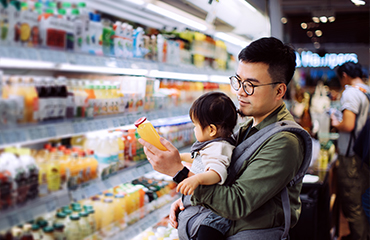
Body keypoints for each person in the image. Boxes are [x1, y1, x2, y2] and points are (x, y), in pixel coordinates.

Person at [139, 37, 309, 239]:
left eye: (250, 86)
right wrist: (190, 199)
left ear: (279, 90)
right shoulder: (249, 125)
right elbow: (224, 175)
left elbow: (236, 202)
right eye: (238, 81)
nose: (239, 92)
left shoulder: (284, 142)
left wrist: (180, 173)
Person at [176, 91, 237, 239]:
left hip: (213, 215)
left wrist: (196, 179)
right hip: (205, 208)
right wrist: (177, 157)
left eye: (195, 125)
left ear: (211, 130)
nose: (194, 129)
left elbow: (216, 173)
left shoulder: (219, 148)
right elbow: (198, 160)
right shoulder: (212, 145)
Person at [331, 61, 370, 240]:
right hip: (364, 155)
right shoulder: (366, 90)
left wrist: (335, 123)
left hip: (352, 156)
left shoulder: (350, 92)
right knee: (362, 201)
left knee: (353, 204)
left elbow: (348, 124)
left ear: (344, 75)